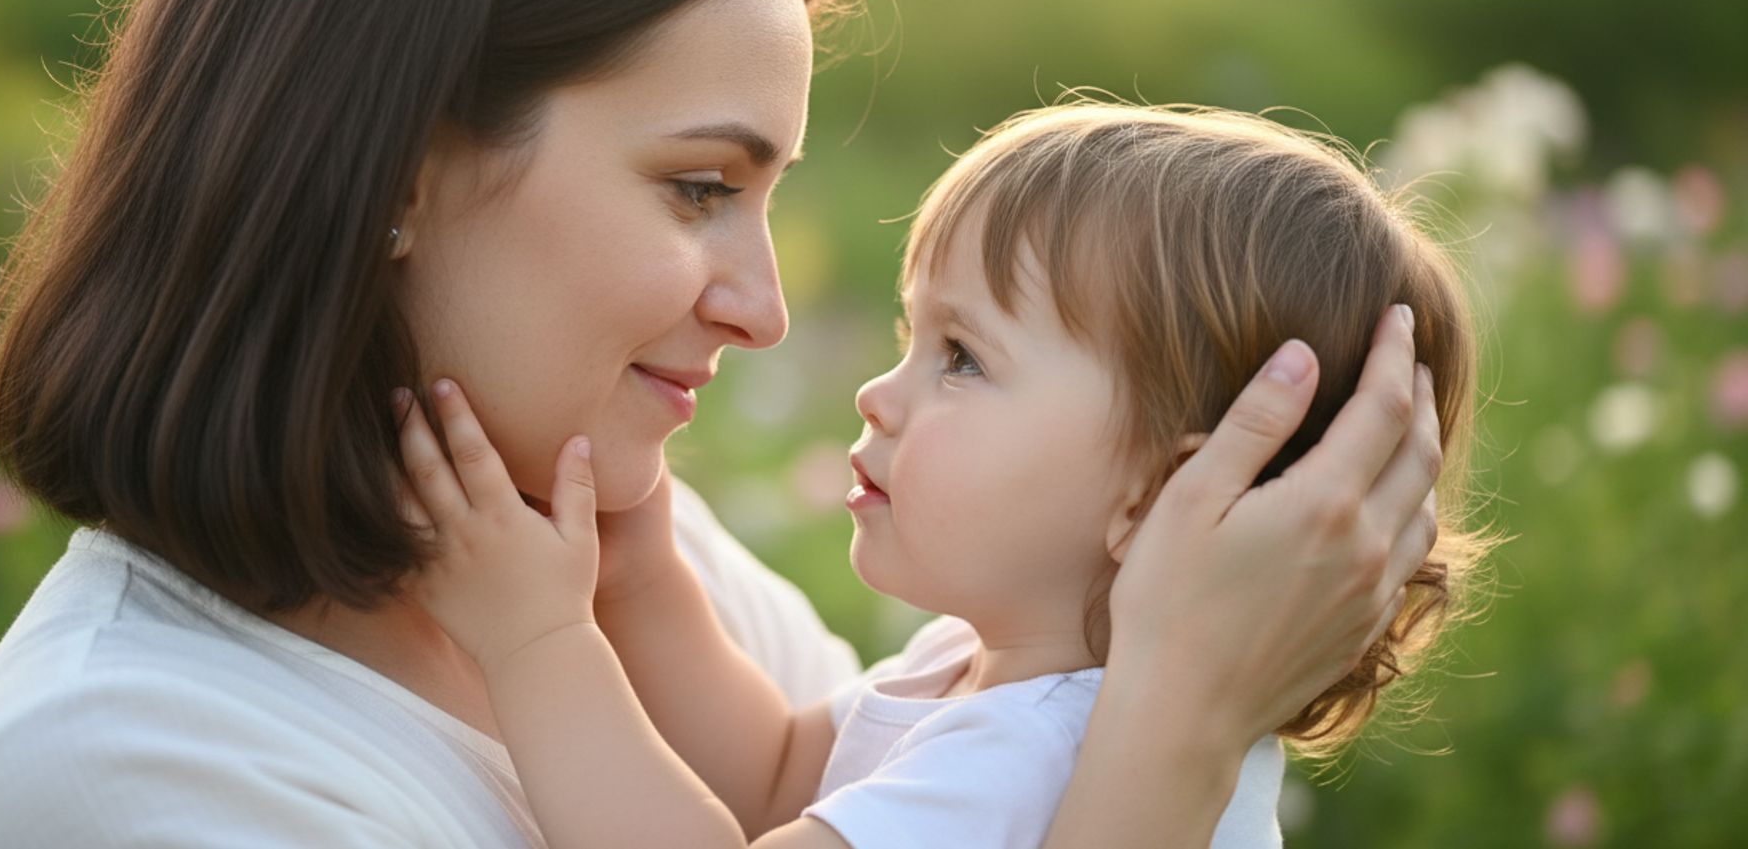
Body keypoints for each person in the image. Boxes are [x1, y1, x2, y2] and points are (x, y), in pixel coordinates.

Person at [0, 0, 1447, 846]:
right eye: (700, 188)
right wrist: (1169, 730)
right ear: (395, 165)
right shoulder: (111, 771)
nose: (769, 312)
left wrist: (608, 590)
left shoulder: (630, 523)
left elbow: (784, 795)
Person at [393, 105, 1484, 849]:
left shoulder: (1031, 752)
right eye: (914, 338)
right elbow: (779, 777)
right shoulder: (987, 665)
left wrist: (537, 641)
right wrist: (640, 578)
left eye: (962, 356)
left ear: (1162, 497)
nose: (880, 392)